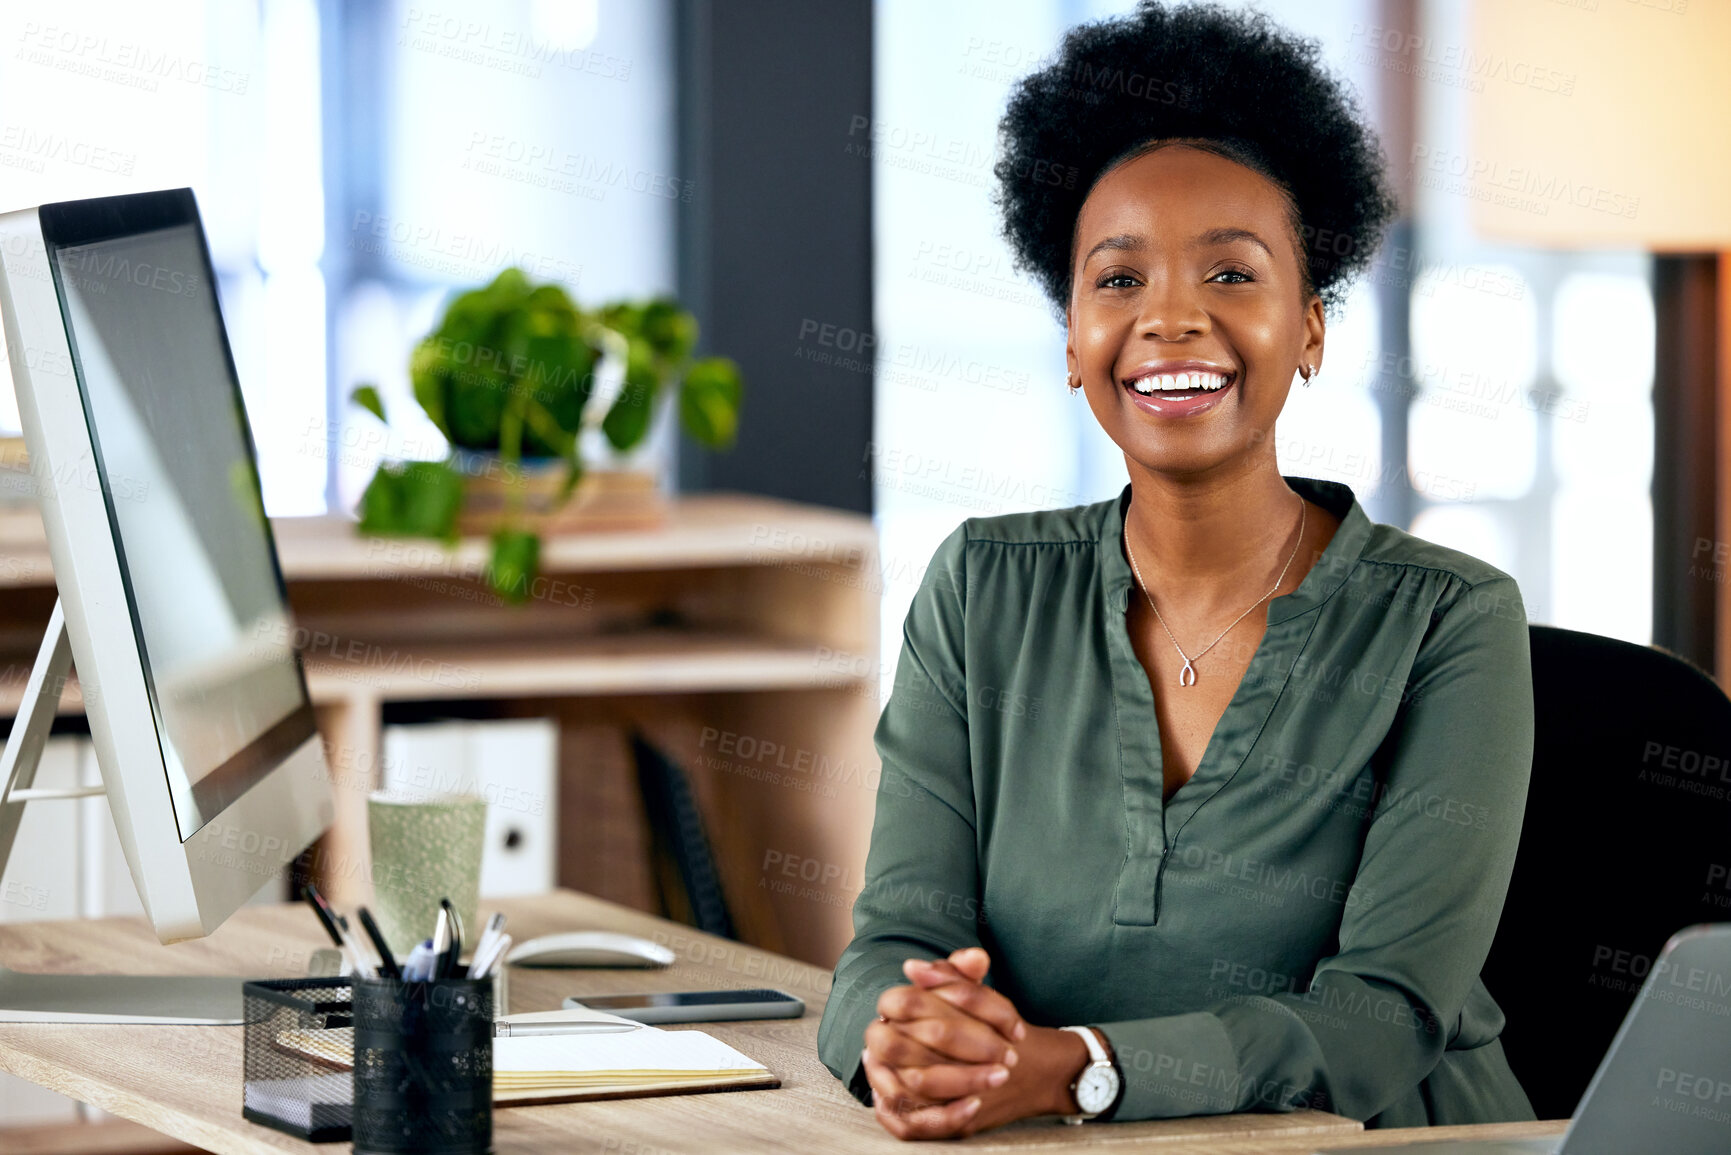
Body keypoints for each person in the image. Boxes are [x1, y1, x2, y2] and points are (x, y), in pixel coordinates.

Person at [816, 0, 1539, 1141]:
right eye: (1118, 280)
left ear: (1310, 327)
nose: (1170, 321)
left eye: (1233, 276)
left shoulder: (1451, 623)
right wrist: (903, 1039)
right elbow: (893, 941)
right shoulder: (980, 589)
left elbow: (1383, 1018)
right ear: (1070, 338)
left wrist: (1082, 1069)